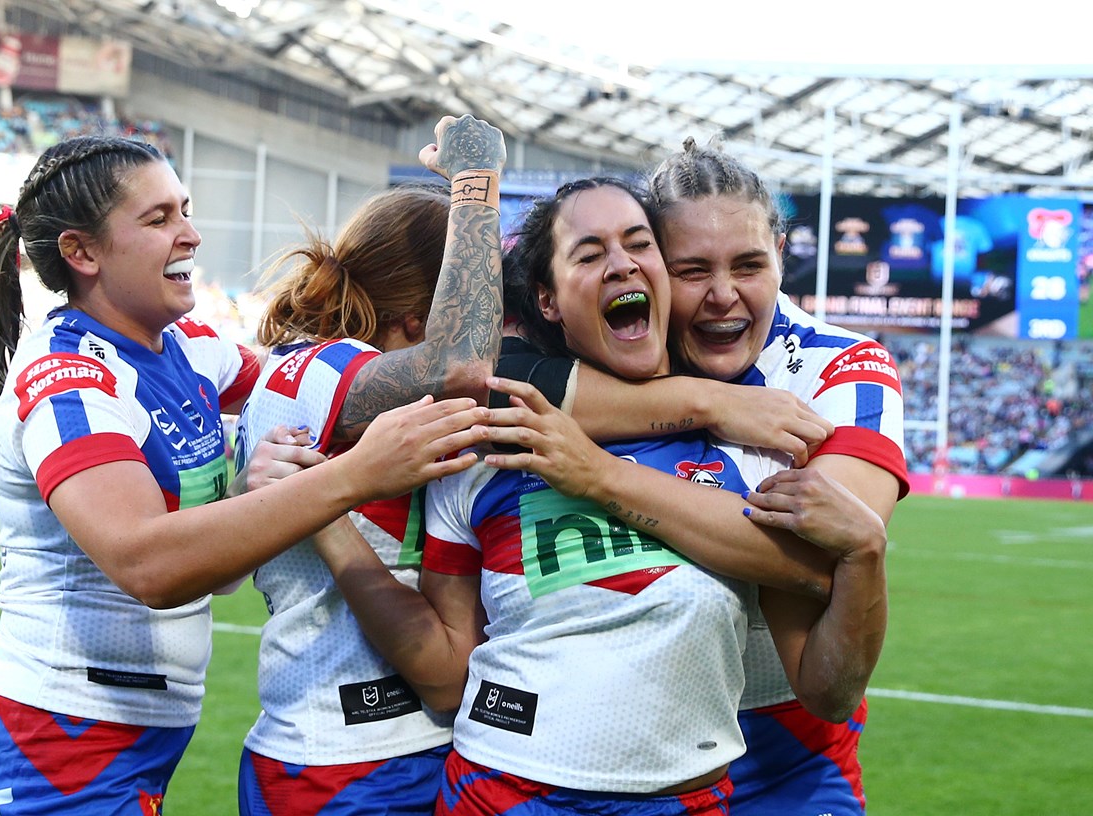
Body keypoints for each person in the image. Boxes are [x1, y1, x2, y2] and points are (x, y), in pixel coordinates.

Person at [305, 177, 889, 814]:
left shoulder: (751, 439)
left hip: (709, 790)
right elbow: (447, 672)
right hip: (499, 794)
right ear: (547, 301)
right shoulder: (484, 443)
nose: (622, 264)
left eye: (640, 244)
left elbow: (811, 587)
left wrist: (863, 556)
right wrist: (324, 514)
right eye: (589, 254)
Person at [0, 134, 488, 815]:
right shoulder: (70, 382)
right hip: (53, 741)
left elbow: (314, 391)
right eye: (159, 220)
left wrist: (249, 489)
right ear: (81, 253)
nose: (191, 234)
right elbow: (149, 567)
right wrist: (351, 479)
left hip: (141, 737)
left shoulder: (195, 353)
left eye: (186, 210)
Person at [493, 139, 908, 814]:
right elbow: (465, 376)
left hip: (784, 753)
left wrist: (598, 471)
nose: (722, 296)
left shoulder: (842, 369)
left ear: (779, 250)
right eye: (692, 270)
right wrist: (704, 402)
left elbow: (816, 559)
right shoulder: (615, 346)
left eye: (749, 265)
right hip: (618, 752)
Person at [231, 114, 507, 814]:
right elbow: (463, 363)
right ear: (421, 318)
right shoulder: (339, 369)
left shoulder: (294, 368)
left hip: (311, 742)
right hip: (364, 754)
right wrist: (476, 184)